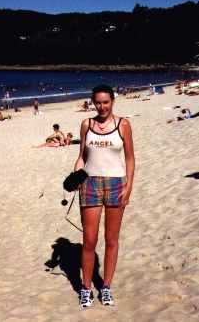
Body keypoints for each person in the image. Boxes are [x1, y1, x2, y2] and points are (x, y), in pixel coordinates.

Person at [74, 84, 135, 308]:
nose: (102, 106)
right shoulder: (86, 124)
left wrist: (129, 187)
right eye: (97, 102)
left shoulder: (123, 125)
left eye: (105, 102)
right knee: (89, 240)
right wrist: (75, 175)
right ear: (93, 102)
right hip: (89, 183)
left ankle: (106, 287)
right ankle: (86, 288)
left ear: (112, 102)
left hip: (116, 184)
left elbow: (130, 158)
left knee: (111, 240)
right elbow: (82, 156)